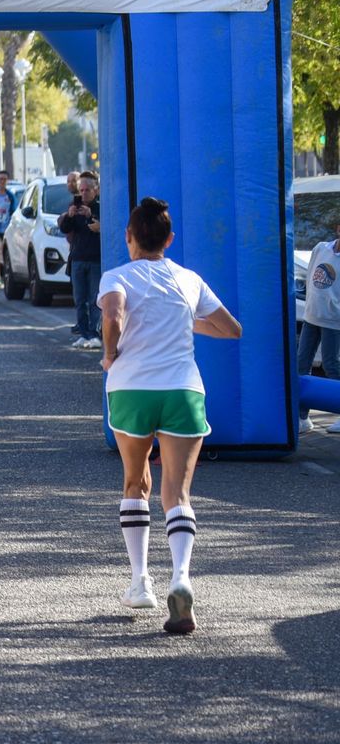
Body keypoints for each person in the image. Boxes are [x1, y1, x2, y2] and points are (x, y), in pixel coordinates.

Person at [99, 197, 241, 633]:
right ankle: (180, 577)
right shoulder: (188, 278)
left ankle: (140, 581)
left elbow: (114, 313)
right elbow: (230, 329)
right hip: (182, 388)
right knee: (177, 494)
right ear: (169, 239)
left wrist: (109, 353)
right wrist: (180, 318)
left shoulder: (117, 276)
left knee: (134, 480)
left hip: (132, 388)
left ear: (129, 238)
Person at [296, 220, 340, 434]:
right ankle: (303, 417)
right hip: (312, 317)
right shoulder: (321, 248)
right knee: (302, 365)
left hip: (334, 321)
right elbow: (312, 278)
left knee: (332, 365)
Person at [59, 173, 103, 349]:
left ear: (95, 190)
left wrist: (90, 213)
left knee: (94, 300)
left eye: (87, 190)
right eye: (81, 190)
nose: (83, 194)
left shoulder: (100, 207)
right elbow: (65, 228)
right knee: (79, 300)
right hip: (77, 259)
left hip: (94, 259)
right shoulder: (74, 207)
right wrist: (69, 216)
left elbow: (104, 225)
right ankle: (83, 334)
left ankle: (95, 334)